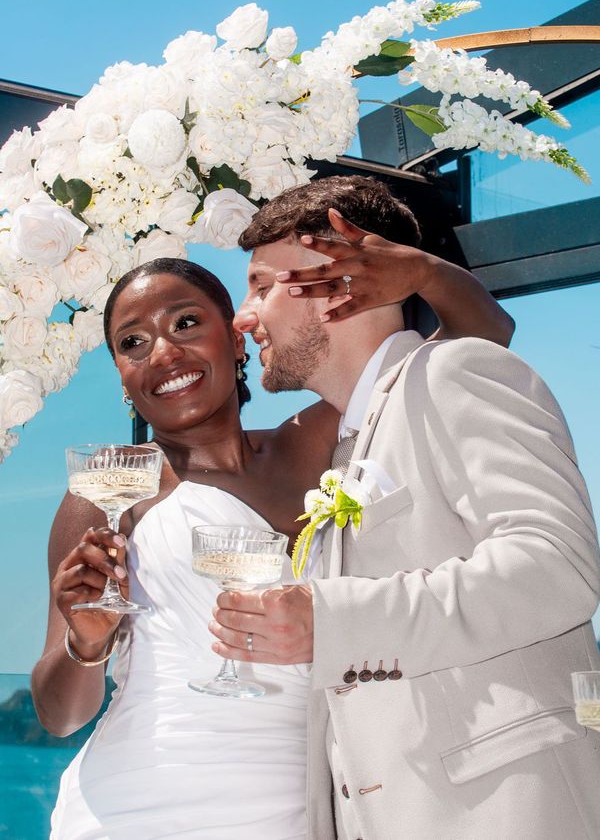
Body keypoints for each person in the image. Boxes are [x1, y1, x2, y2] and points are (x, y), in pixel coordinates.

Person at [32, 221, 511, 838]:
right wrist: (86, 642)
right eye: (133, 343)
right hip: (136, 805)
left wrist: (422, 272)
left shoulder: (312, 442)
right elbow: (60, 716)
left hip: (301, 803)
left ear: (237, 340)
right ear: (124, 377)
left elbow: (482, 339)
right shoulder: (107, 488)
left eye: (185, 324)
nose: (163, 353)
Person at [213, 174, 600, 840]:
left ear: (337, 284)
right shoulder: (342, 447)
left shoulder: (455, 373)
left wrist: (332, 620)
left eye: (261, 286)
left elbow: (555, 567)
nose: (244, 318)